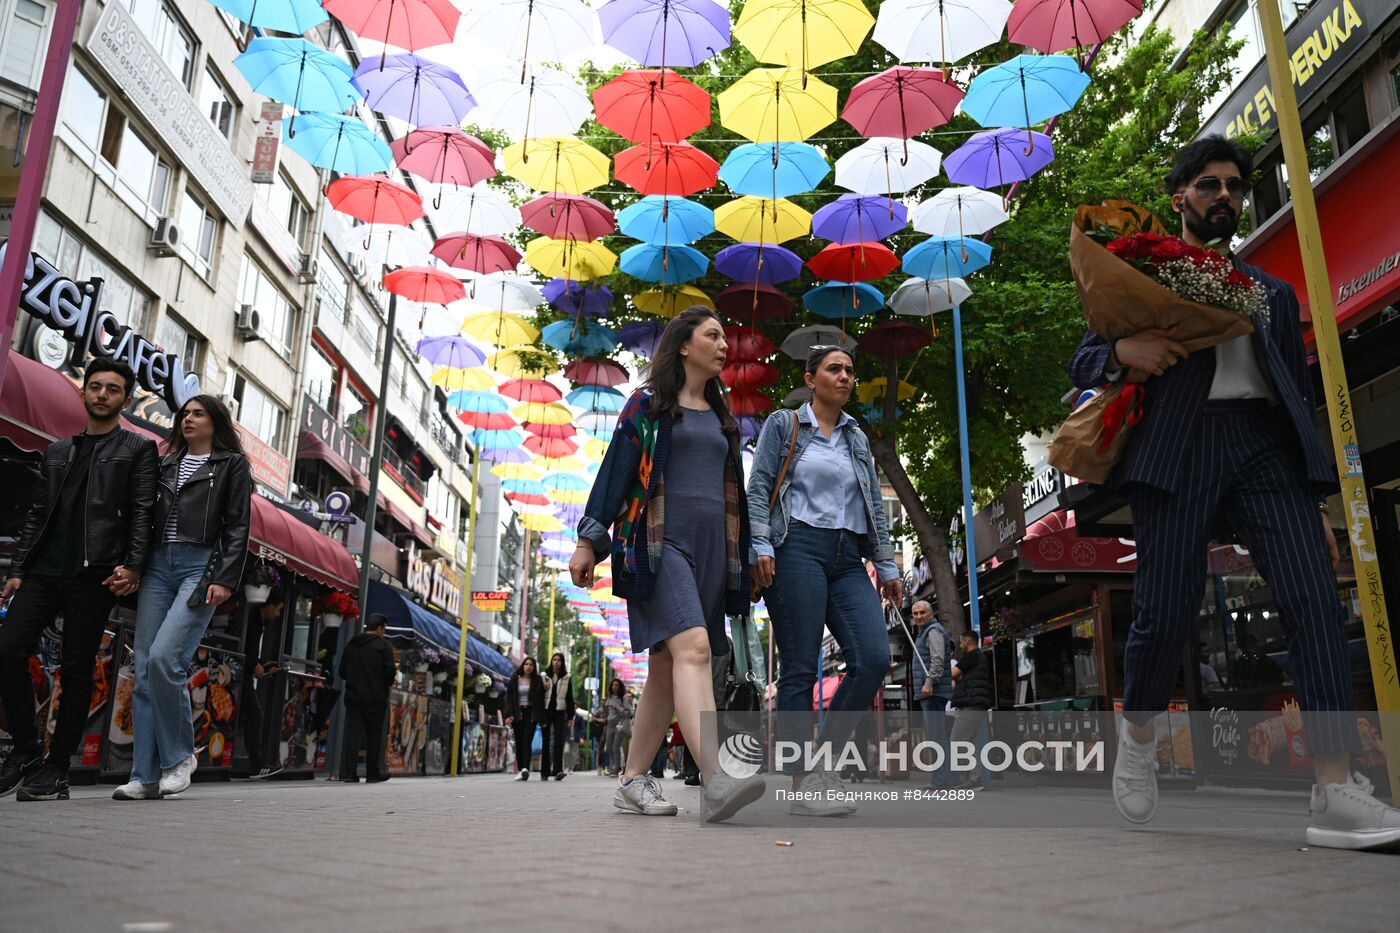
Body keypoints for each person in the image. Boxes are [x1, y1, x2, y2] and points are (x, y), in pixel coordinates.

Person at [1068, 135, 1400, 849]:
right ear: (1179, 197)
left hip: (1262, 447)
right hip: (1180, 443)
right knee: (1164, 609)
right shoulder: (1145, 272)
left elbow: (1295, 395)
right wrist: (1126, 350)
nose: (1225, 196)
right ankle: (1140, 736)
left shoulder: (1272, 295)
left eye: (1236, 187)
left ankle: (1334, 785)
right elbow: (1085, 353)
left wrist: (1316, 503)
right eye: (1210, 184)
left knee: (1314, 595)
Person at [573, 307, 767, 823]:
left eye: (725, 336)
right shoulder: (649, 406)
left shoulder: (723, 420)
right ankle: (716, 779)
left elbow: (736, 499)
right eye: (713, 335)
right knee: (696, 649)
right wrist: (590, 541)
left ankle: (634, 780)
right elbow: (615, 472)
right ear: (684, 345)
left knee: (666, 666)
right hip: (658, 547)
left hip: (712, 555)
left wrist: (746, 559)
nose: (725, 345)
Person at [747, 345, 904, 817]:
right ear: (811, 379)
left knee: (874, 657)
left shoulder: (857, 436)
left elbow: (874, 503)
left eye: (850, 371)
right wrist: (761, 546)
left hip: (847, 556)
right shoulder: (784, 424)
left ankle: (824, 765)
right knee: (799, 667)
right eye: (834, 369)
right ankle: (802, 786)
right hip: (796, 547)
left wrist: (889, 565)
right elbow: (760, 487)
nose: (845, 377)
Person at [0, 359, 158, 802]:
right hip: (45, 571)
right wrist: (17, 571)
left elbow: (145, 511)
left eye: (112, 389)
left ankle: (56, 768)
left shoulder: (137, 448)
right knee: (7, 648)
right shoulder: (58, 451)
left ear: (125, 400)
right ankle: (28, 750)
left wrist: (134, 565)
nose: (102, 394)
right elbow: (37, 515)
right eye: (95, 386)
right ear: (84, 393)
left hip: (96, 574)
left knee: (76, 670)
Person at [113, 395, 252, 801]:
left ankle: (179, 759)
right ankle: (144, 776)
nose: (188, 419)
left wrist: (224, 577)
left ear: (215, 421)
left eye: (198, 413)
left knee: (165, 659)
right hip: (157, 565)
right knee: (142, 671)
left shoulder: (230, 465)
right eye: (185, 414)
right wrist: (134, 564)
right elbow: (143, 517)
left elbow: (238, 525)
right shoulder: (166, 462)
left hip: (200, 566)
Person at [340, 613, 397, 784]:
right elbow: (390, 673)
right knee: (374, 735)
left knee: (353, 734)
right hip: (376, 699)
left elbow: (342, 671)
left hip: (353, 698)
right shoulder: (383, 646)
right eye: (384, 629)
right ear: (380, 628)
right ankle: (372, 773)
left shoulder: (352, 643)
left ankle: (350, 773)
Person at [239, 590, 286, 780]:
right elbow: (242, 645)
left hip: (242, 671)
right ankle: (256, 765)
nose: (278, 615)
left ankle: (254, 764)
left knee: (249, 714)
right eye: (278, 610)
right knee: (255, 714)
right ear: (269, 606)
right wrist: (254, 664)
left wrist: (260, 663)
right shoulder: (251, 619)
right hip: (238, 671)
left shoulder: (256, 620)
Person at [910, 601, 954, 789]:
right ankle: (943, 780)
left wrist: (929, 683)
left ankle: (941, 781)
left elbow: (937, 659)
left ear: (931, 613)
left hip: (933, 692)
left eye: (922, 613)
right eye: (915, 613)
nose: (919, 616)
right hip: (930, 692)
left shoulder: (933, 631)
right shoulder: (924, 632)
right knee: (936, 736)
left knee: (936, 737)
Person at [949, 631, 993, 791]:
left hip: (970, 703)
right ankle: (975, 779)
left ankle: (970, 777)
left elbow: (953, 674)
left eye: (961, 642)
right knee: (972, 744)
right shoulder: (981, 658)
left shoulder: (971, 656)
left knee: (956, 741)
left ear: (967, 641)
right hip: (978, 704)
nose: (960, 645)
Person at [504, 656, 543, 781]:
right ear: (523, 665)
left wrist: (540, 717)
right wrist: (509, 714)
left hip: (530, 713)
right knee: (519, 742)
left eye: (531, 665)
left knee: (527, 741)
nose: (528, 667)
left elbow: (541, 699)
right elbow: (509, 697)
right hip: (517, 713)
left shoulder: (537, 680)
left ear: (534, 667)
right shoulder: (515, 678)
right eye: (526, 664)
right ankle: (521, 770)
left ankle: (525, 768)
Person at [539, 652, 575, 780]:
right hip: (546, 711)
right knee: (546, 741)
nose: (556, 662)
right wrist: (544, 687)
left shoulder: (566, 677)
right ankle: (544, 772)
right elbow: (538, 694)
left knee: (559, 740)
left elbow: (570, 697)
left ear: (562, 662)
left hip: (559, 711)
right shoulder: (544, 676)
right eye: (554, 659)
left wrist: (571, 716)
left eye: (559, 660)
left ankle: (558, 770)